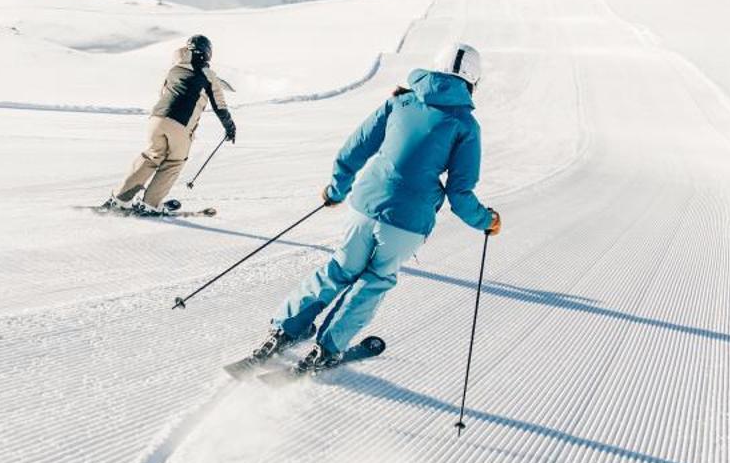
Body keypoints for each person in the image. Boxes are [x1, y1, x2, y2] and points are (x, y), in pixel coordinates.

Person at [251, 42, 500, 371]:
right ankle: (327, 348)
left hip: (365, 204)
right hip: (407, 221)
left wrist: (337, 189)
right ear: (473, 81)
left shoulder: (401, 99)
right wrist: (486, 220)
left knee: (339, 269)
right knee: (376, 279)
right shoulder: (466, 125)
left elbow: (355, 147)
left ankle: (284, 330)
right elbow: (460, 193)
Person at [105, 34, 236, 214]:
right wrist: (230, 128)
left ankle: (119, 199)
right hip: (180, 125)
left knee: (151, 157)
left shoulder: (173, 70)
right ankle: (150, 205)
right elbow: (220, 107)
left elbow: (163, 93)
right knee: (174, 162)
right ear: (207, 53)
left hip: (156, 119)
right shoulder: (208, 75)